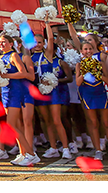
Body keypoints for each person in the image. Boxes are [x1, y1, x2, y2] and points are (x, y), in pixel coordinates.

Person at [65, 23, 108, 161]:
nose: (88, 51)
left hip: (100, 92)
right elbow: (78, 82)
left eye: (90, 48)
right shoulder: (80, 64)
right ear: (82, 51)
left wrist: (97, 73)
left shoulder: (100, 60)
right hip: (86, 93)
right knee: (92, 122)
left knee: (106, 122)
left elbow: (107, 80)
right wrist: (85, 72)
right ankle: (98, 150)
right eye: (85, 49)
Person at [28, 22, 74, 160]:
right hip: (39, 92)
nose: (37, 44)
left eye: (40, 42)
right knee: (46, 120)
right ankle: (53, 147)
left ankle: (65, 148)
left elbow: (50, 38)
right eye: (35, 42)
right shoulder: (29, 58)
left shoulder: (48, 54)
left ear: (44, 43)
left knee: (56, 119)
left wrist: (46, 23)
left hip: (52, 92)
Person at [0, 32, 38, 165]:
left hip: (16, 92)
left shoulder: (13, 55)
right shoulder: (0, 57)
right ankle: (23, 152)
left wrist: (6, 76)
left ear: (11, 44)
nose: (2, 44)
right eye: (0, 42)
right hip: (6, 92)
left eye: (4, 42)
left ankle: (31, 154)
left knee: (12, 125)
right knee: (15, 124)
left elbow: (23, 73)